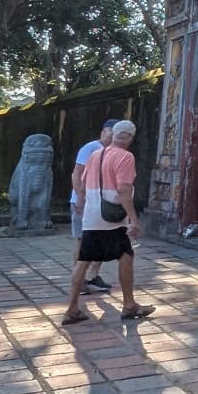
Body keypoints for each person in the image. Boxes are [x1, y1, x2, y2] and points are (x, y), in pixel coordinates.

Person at [62, 119, 155, 324]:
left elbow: (83, 182)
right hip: (111, 218)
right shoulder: (126, 156)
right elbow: (123, 189)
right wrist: (132, 216)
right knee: (126, 255)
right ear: (130, 137)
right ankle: (129, 305)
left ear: (114, 134)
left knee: (84, 260)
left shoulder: (96, 154)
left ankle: (72, 308)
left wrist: (83, 202)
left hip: (92, 214)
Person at [71, 119, 117, 293]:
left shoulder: (114, 152)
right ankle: (79, 279)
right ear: (104, 131)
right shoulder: (91, 148)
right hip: (85, 201)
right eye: (112, 131)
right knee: (82, 241)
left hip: (102, 202)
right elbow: (76, 174)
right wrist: (80, 198)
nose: (115, 135)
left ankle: (93, 276)